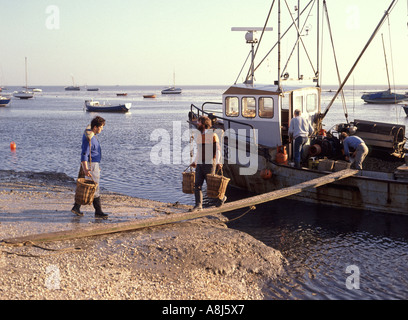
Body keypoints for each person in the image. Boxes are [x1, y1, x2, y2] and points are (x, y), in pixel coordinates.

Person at [71, 116, 108, 218]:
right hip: (91, 165)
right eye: (101, 127)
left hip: (93, 164)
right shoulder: (89, 138)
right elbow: (84, 154)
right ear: (95, 127)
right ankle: (98, 211)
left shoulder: (91, 134)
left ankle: (76, 207)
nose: (102, 129)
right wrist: (86, 168)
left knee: (85, 187)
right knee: (94, 187)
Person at [190, 116, 225, 212]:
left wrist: (218, 162)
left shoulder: (213, 135)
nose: (197, 123)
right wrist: (195, 161)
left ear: (204, 124)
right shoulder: (199, 136)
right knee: (197, 184)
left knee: (211, 185)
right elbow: (199, 151)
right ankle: (198, 205)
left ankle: (221, 198)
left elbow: (217, 150)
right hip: (200, 163)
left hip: (210, 163)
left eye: (199, 122)